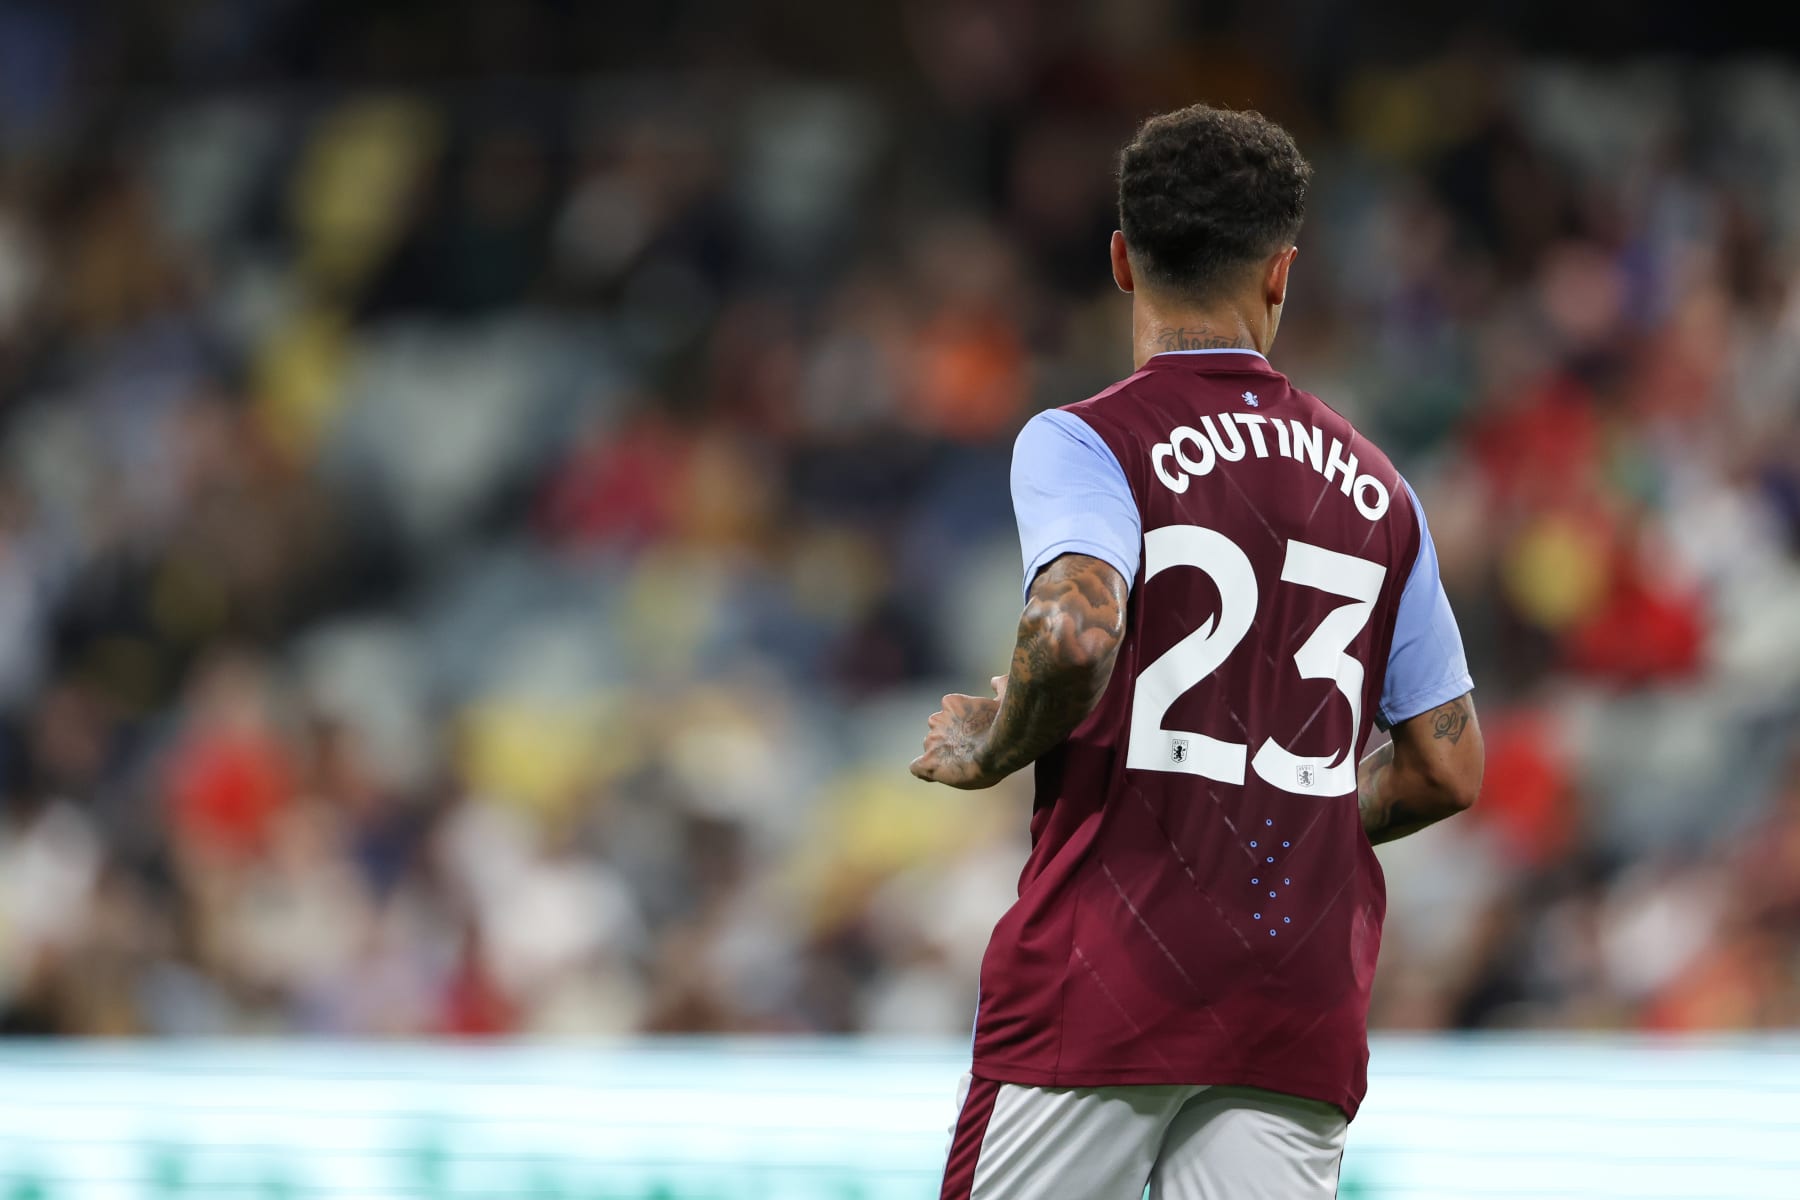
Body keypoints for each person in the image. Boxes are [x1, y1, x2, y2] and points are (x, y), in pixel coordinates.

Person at [910, 104, 1484, 1200]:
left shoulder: (1088, 441)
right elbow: (1447, 766)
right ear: (1282, 274)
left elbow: (1075, 630)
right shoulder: (1384, 494)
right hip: (1296, 1002)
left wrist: (995, 745)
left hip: (1105, 980)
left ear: (1123, 261)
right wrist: (1289, 815)